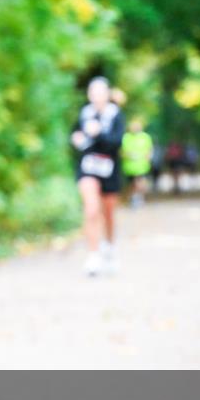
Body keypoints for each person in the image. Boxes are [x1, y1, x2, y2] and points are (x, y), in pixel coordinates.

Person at [70, 77, 125, 276]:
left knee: (108, 213)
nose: (97, 96)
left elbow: (117, 142)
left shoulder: (116, 114)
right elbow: (75, 134)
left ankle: (109, 247)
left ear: (107, 94)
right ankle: (93, 255)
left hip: (109, 169)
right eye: (93, 92)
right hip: (88, 167)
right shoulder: (85, 113)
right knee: (91, 210)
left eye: (100, 92)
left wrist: (99, 133)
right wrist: (76, 139)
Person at [121, 118, 154, 208]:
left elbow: (150, 150)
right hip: (129, 167)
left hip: (142, 166)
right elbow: (121, 152)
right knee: (132, 184)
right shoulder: (125, 137)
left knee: (140, 183)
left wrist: (148, 158)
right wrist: (129, 155)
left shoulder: (145, 137)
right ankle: (133, 197)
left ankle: (137, 197)